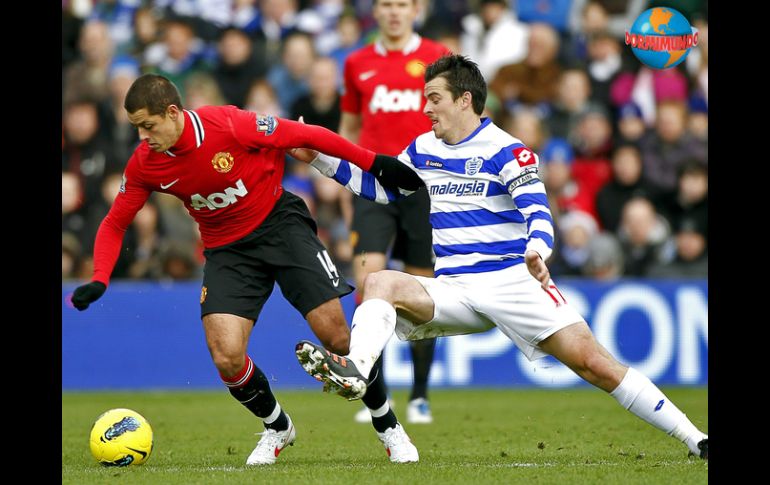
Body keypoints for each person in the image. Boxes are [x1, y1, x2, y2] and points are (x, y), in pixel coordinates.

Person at [291, 55, 708, 460]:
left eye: (434, 98)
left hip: (512, 282)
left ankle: (695, 438)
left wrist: (537, 251)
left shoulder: (508, 150)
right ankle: (356, 369)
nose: (426, 108)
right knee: (379, 281)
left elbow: (538, 212)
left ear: (464, 100)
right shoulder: (422, 149)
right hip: (454, 288)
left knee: (596, 365)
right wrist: (320, 160)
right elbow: (382, 190)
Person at [69, 73, 418, 465]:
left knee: (338, 339)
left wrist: (375, 163)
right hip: (225, 249)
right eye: (136, 128)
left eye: (148, 126)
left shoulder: (230, 125)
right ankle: (277, 426)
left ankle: (388, 426)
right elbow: (116, 222)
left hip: (280, 226)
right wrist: (99, 278)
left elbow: (310, 136)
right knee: (226, 356)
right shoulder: (145, 163)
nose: (143, 137)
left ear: (172, 112)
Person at [338, 0, 449, 425]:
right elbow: (348, 130)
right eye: (386, 4)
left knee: (422, 293)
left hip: (425, 190)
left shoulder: (438, 57)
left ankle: (420, 395)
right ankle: (370, 388)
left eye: (402, 3)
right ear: (376, 12)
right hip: (373, 187)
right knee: (369, 282)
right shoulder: (357, 62)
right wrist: (346, 182)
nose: (395, 12)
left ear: (416, 9)